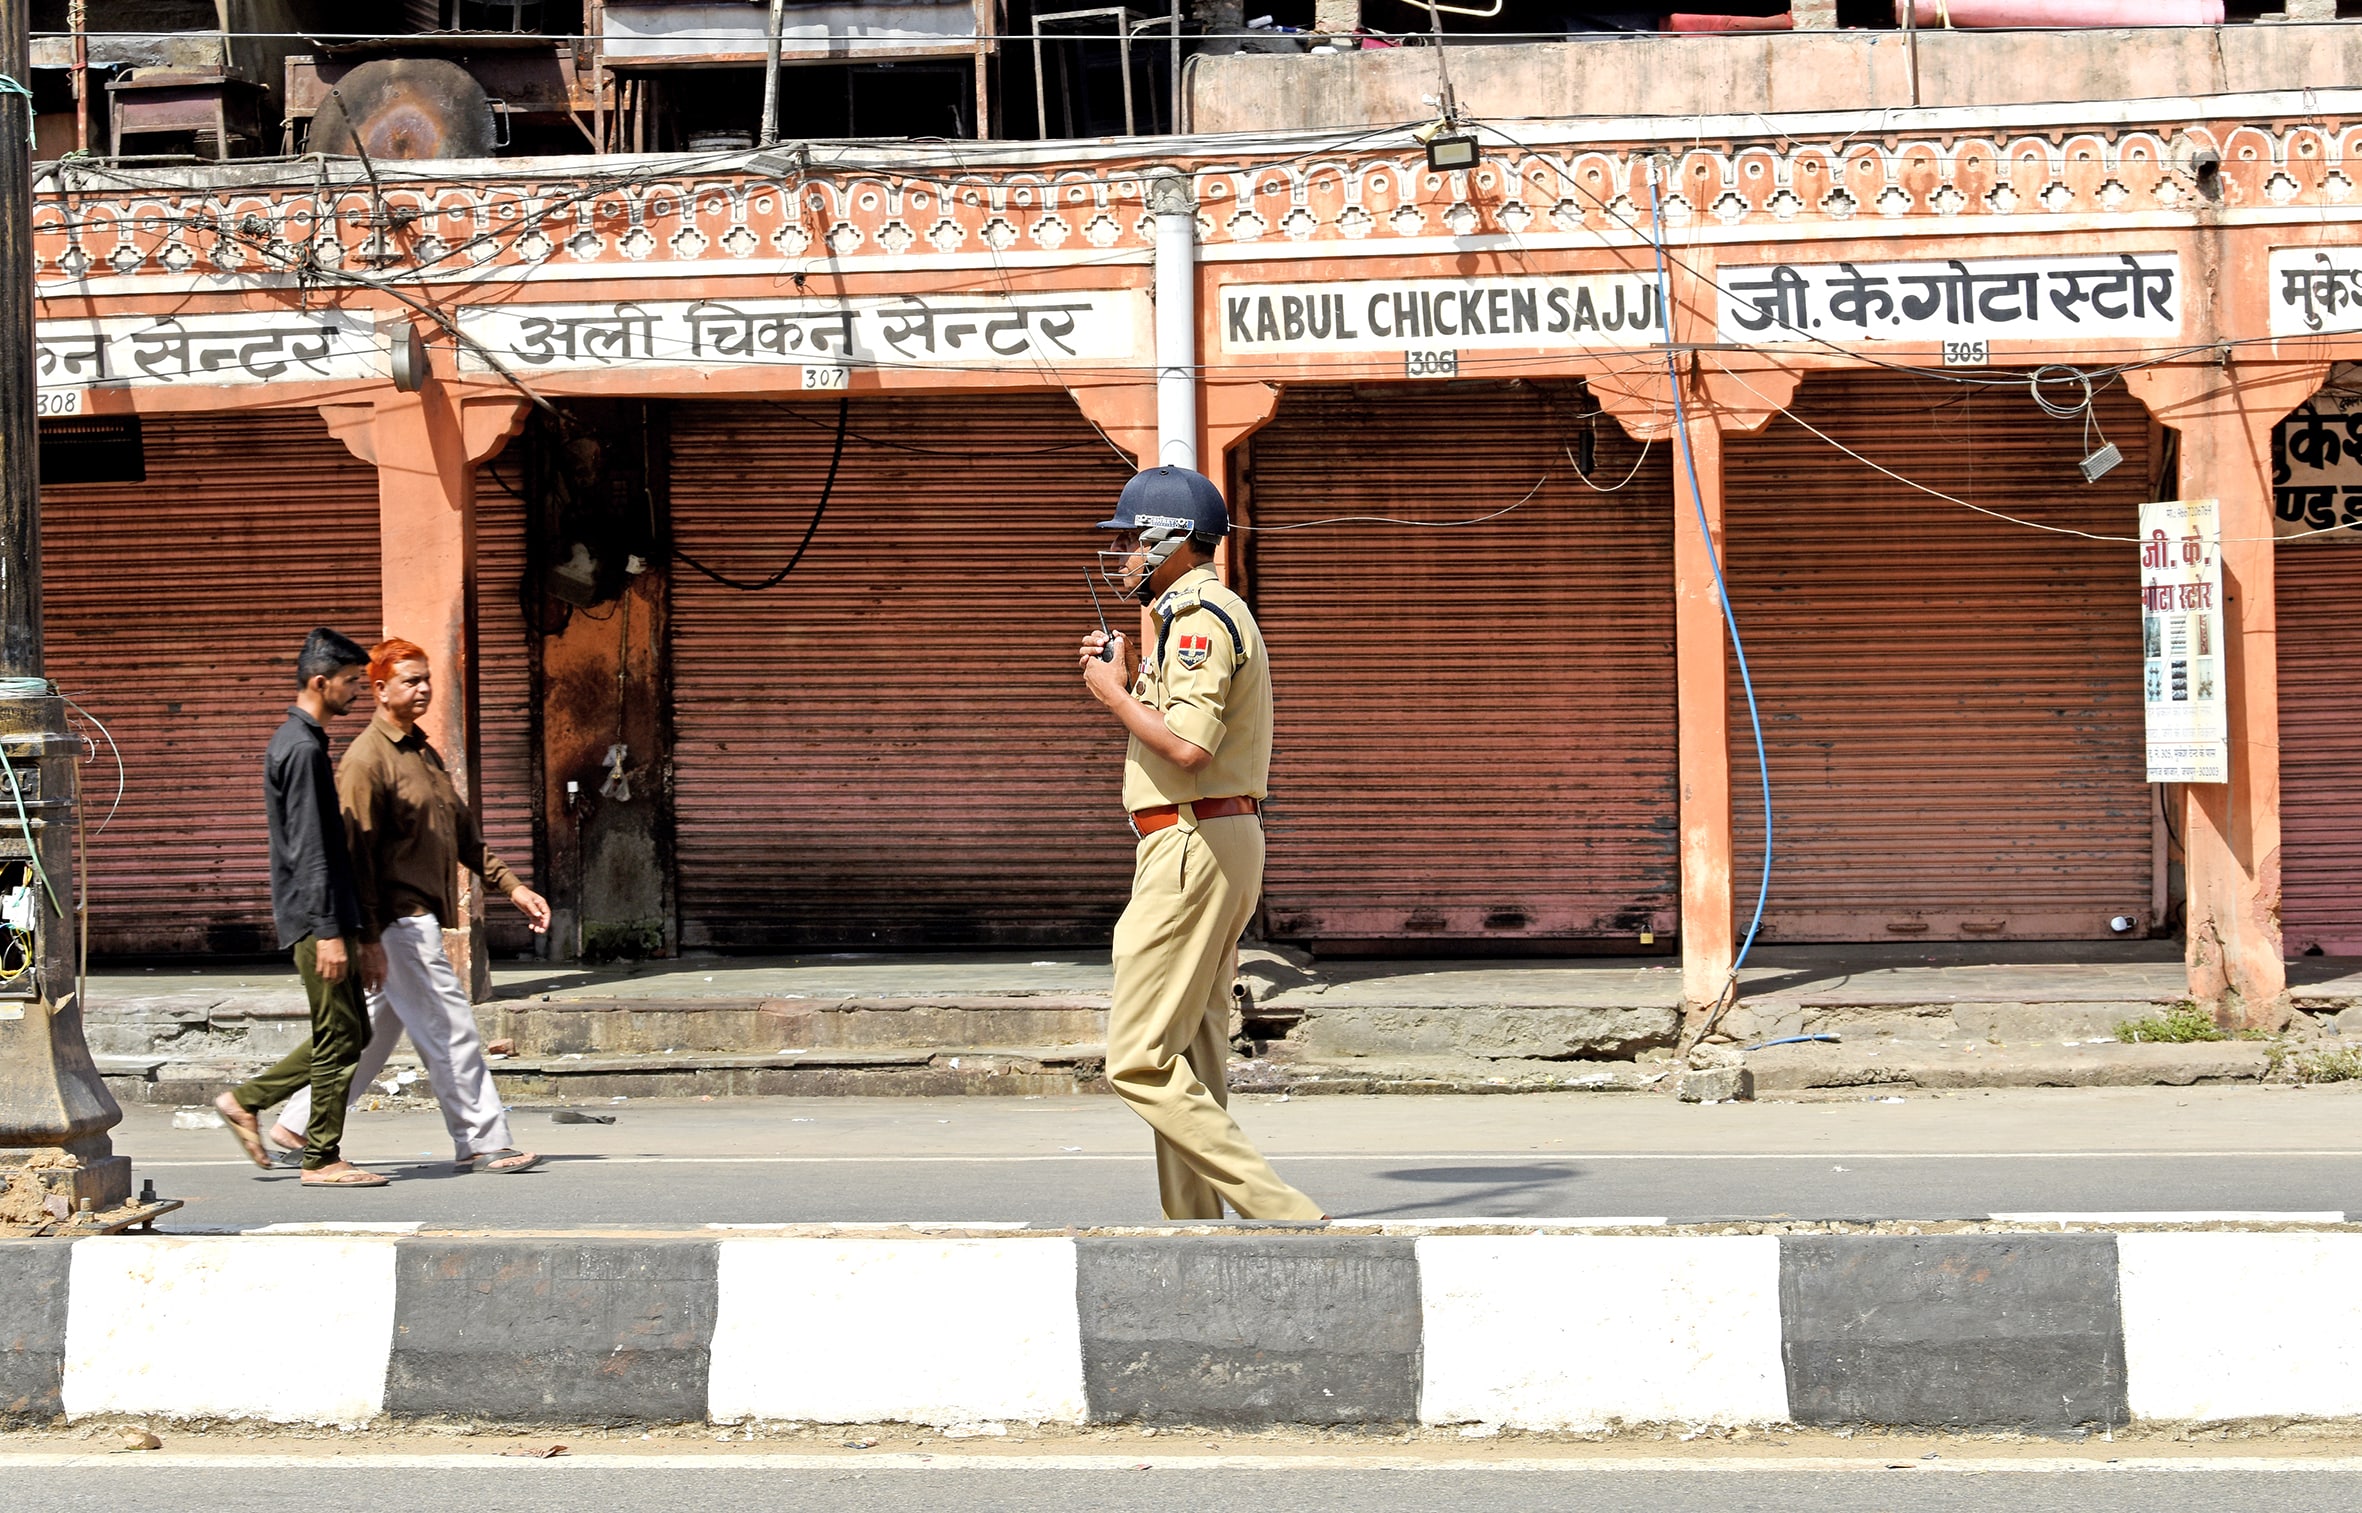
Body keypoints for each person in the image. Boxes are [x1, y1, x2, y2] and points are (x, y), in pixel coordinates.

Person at [1076, 465, 1324, 1222]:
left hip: (1191, 842)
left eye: (1129, 538)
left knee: (1139, 1057)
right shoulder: (1193, 614)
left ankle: (1282, 1210)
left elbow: (1186, 747)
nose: (1118, 553)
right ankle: (1195, 1229)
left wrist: (1112, 693)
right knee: (1190, 1051)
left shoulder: (1198, 619)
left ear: (1175, 541)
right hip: (1210, 837)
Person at [272, 637, 550, 1175]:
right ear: (378, 689)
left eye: (427, 679)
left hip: (410, 917)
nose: (424, 689)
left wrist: (512, 886)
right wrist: (368, 936)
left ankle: (298, 1124)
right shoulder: (365, 760)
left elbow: (461, 835)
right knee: (450, 1028)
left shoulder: (421, 752)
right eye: (411, 680)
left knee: (372, 1036)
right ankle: (482, 1139)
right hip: (398, 919)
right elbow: (353, 857)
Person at [213, 628, 390, 1187]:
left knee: (352, 1032)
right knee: (341, 1038)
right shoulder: (302, 748)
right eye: (349, 683)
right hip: (319, 920)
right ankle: (320, 1157)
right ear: (320, 682)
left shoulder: (302, 742)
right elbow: (311, 850)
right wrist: (332, 932)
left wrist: (359, 932)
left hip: (329, 917)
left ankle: (247, 1101)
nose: (356, 693)